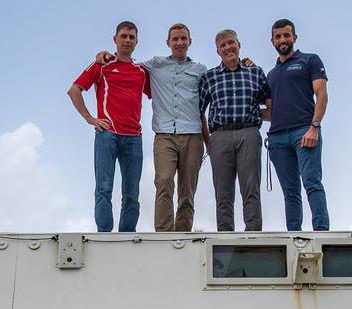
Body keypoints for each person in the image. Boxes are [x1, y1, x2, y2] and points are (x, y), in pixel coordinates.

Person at [97, 24, 207, 232]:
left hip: (192, 134)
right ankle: (164, 235)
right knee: (164, 182)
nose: (179, 43)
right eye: (175, 39)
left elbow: (207, 101)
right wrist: (106, 55)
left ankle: (182, 235)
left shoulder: (201, 70)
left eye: (183, 39)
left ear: (190, 42)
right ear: (168, 43)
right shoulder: (154, 65)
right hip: (165, 135)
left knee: (187, 190)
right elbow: (126, 62)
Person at [67, 21, 150, 232]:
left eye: (131, 37)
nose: (127, 40)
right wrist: (90, 118)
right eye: (123, 36)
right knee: (104, 188)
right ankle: (104, 236)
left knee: (132, 192)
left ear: (137, 42)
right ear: (115, 39)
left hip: (134, 137)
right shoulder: (102, 65)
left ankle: (127, 237)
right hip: (107, 134)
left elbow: (159, 93)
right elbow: (74, 90)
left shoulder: (141, 71)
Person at [199, 29, 269, 231]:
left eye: (231, 43)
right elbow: (199, 112)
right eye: (223, 45)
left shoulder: (255, 72)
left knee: (251, 188)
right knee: (223, 193)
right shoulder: (209, 77)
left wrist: (256, 114)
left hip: (248, 133)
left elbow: (270, 106)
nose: (228, 47)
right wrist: (208, 142)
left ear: (239, 45)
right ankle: (225, 237)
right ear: (217, 51)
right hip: (219, 136)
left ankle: (254, 234)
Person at [265, 18, 329, 231]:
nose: (282, 39)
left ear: (294, 37)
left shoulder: (309, 61)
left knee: (312, 183)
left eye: (286, 35)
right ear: (272, 41)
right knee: (290, 192)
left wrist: (315, 126)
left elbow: (321, 94)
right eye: (278, 36)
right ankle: (294, 235)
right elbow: (270, 111)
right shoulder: (271, 75)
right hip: (277, 138)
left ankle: (321, 231)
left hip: (305, 131)